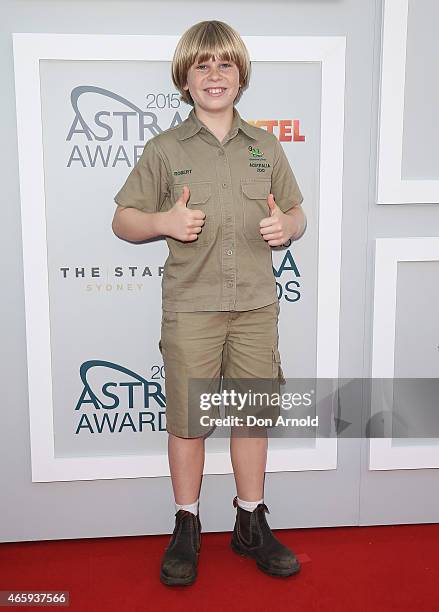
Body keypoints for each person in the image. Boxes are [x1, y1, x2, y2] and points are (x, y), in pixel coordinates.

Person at [112, 20, 307, 586]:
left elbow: (297, 212)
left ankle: (250, 523)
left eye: (225, 63)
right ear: (186, 79)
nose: (214, 74)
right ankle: (187, 524)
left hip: (254, 307)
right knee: (189, 422)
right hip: (191, 307)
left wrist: (286, 227)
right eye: (202, 65)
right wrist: (162, 221)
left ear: (240, 76)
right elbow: (123, 220)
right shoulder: (165, 149)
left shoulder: (265, 146)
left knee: (250, 419)